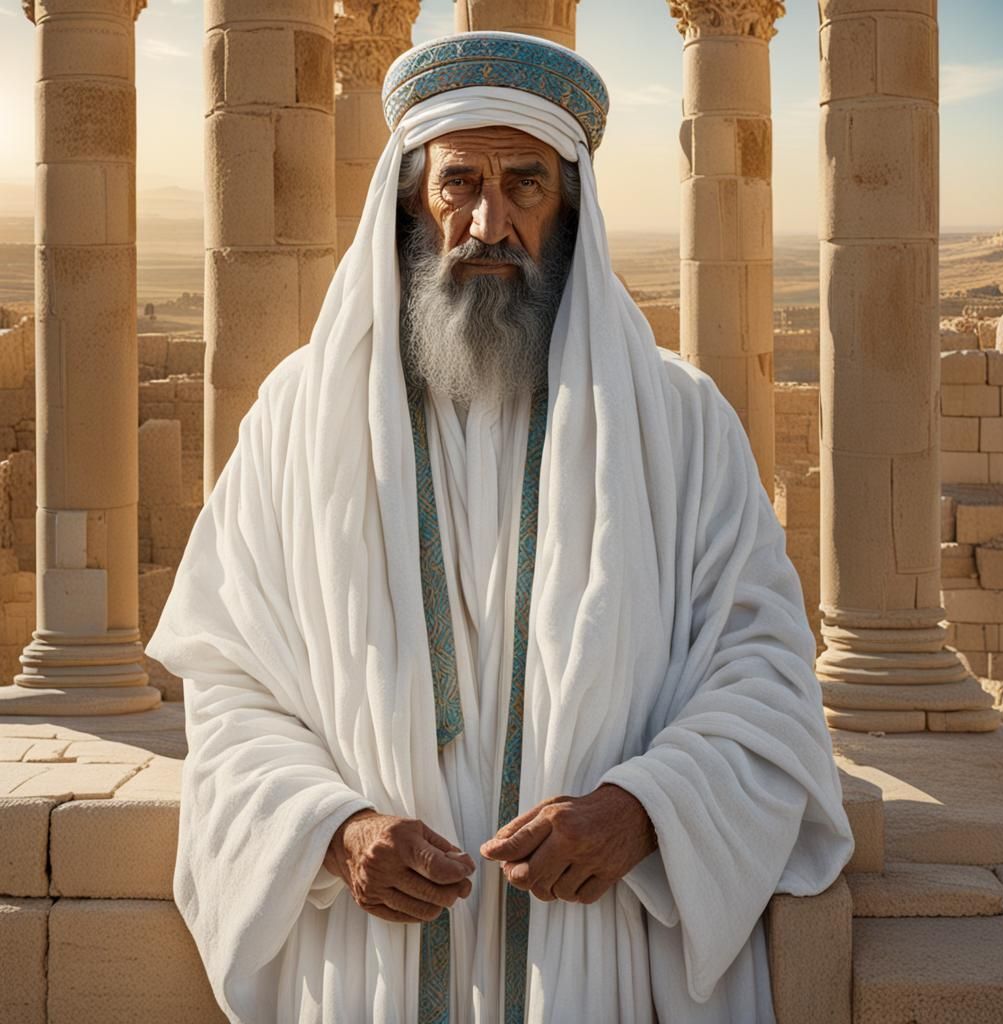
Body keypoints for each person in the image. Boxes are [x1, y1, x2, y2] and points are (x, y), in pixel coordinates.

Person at [146, 29, 854, 1024]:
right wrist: (330, 829)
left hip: (594, 954)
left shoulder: (682, 427)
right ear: (408, 201)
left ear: (570, 209)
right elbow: (228, 681)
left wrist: (648, 809)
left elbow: (766, 672)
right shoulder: (298, 423)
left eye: (525, 184)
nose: (489, 219)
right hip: (370, 965)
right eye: (457, 183)